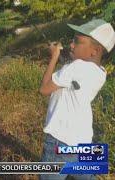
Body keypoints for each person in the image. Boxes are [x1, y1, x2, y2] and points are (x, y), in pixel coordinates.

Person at [39, 19, 115, 180]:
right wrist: (68, 60)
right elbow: (77, 74)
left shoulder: (74, 68)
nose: (72, 45)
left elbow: (44, 89)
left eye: (77, 42)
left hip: (60, 142)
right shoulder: (100, 72)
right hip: (84, 140)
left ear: (95, 50)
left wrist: (54, 56)